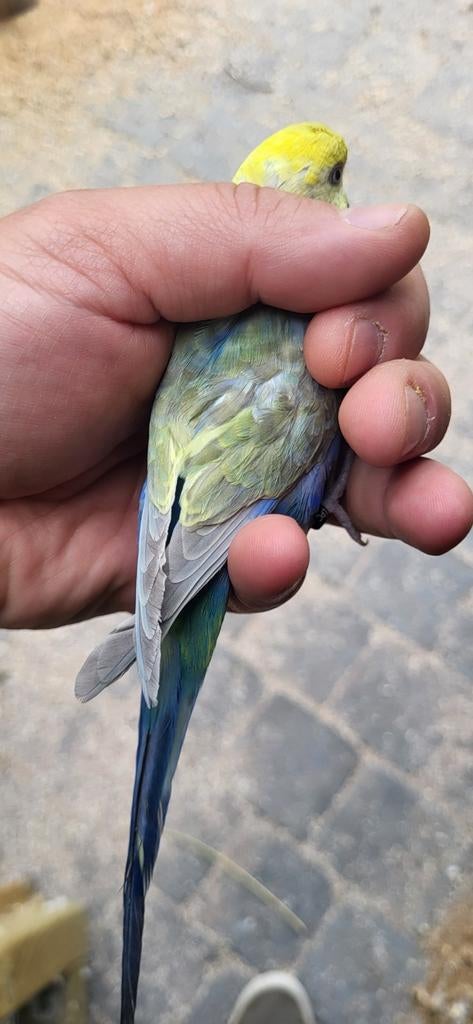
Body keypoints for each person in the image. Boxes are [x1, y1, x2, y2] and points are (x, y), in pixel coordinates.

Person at [0, 185, 471, 1023]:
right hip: (197, 529)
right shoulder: (270, 318)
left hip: (171, 509)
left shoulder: (286, 322)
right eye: (322, 182)